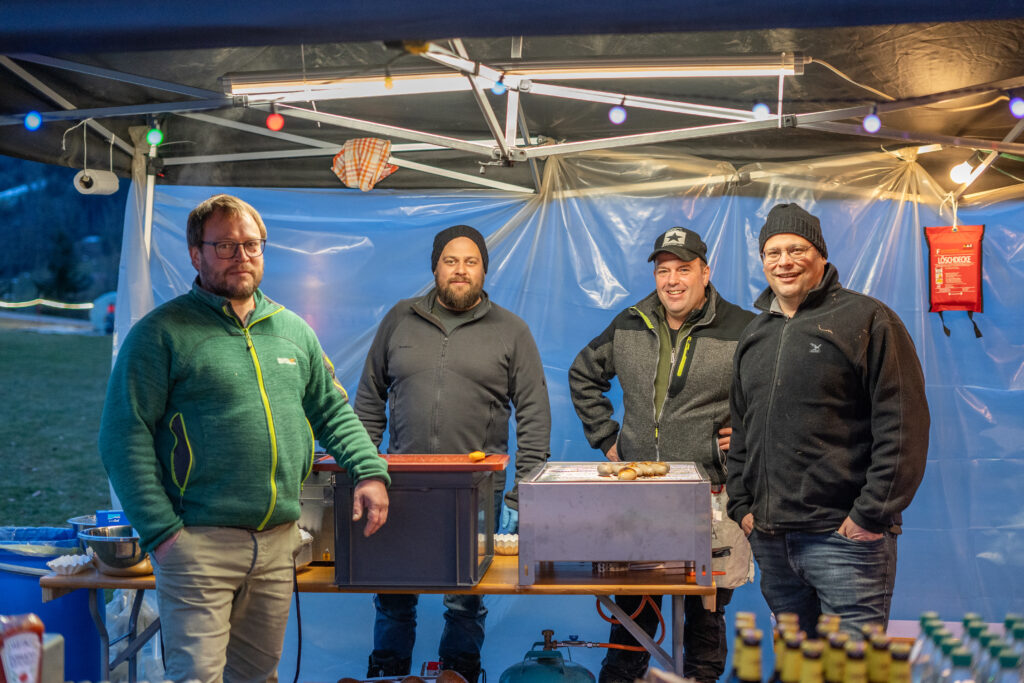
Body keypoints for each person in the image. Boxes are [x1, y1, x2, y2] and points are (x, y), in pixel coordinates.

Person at [98, 194, 390, 682]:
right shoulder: (161, 334)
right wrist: (163, 535)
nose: (241, 256)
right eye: (225, 246)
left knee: (258, 678)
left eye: (251, 245)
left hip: (277, 543)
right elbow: (122, 435)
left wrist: (369, 471)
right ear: (196, 253)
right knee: (198, 677)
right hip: (197, 544)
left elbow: (331, 410)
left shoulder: (293, 331)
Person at [355, 224, 551, 683]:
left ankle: (459, 674)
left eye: (470, 261)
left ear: (484, 269)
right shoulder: (399, 319)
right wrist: (365, 471)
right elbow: (367, 401)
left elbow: (534, 415)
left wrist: (522, 496)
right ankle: (387, 675)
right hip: (399, 491)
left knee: (465, 604)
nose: (460, 270)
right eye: (450, 260)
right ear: (435, 268)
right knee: (392, 598)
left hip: (475, 497)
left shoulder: (511, 331)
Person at [726, 202, 929, 639]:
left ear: (820, 255)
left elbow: (903, 424)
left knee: (851, 667)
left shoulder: (867, 320)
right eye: (773, 252)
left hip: (844, 541)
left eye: (796, 249)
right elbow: (742, 429)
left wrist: (871, 515)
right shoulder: (755, 335)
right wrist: (741, 506)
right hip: (773, 540)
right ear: (762, 261)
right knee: (799, 665)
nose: (784, 262)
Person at [568, 227, 755, 683]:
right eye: (663, 270)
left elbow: (777, 396)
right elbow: (583, 374)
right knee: (632, 618)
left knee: (705, 620)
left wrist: (749, 434)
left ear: (705, 272)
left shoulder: (743, 328)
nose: (672, 280)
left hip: (710, 497)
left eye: (683, 269)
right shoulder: (629, 322)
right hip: (639, 501)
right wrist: (607, 438)